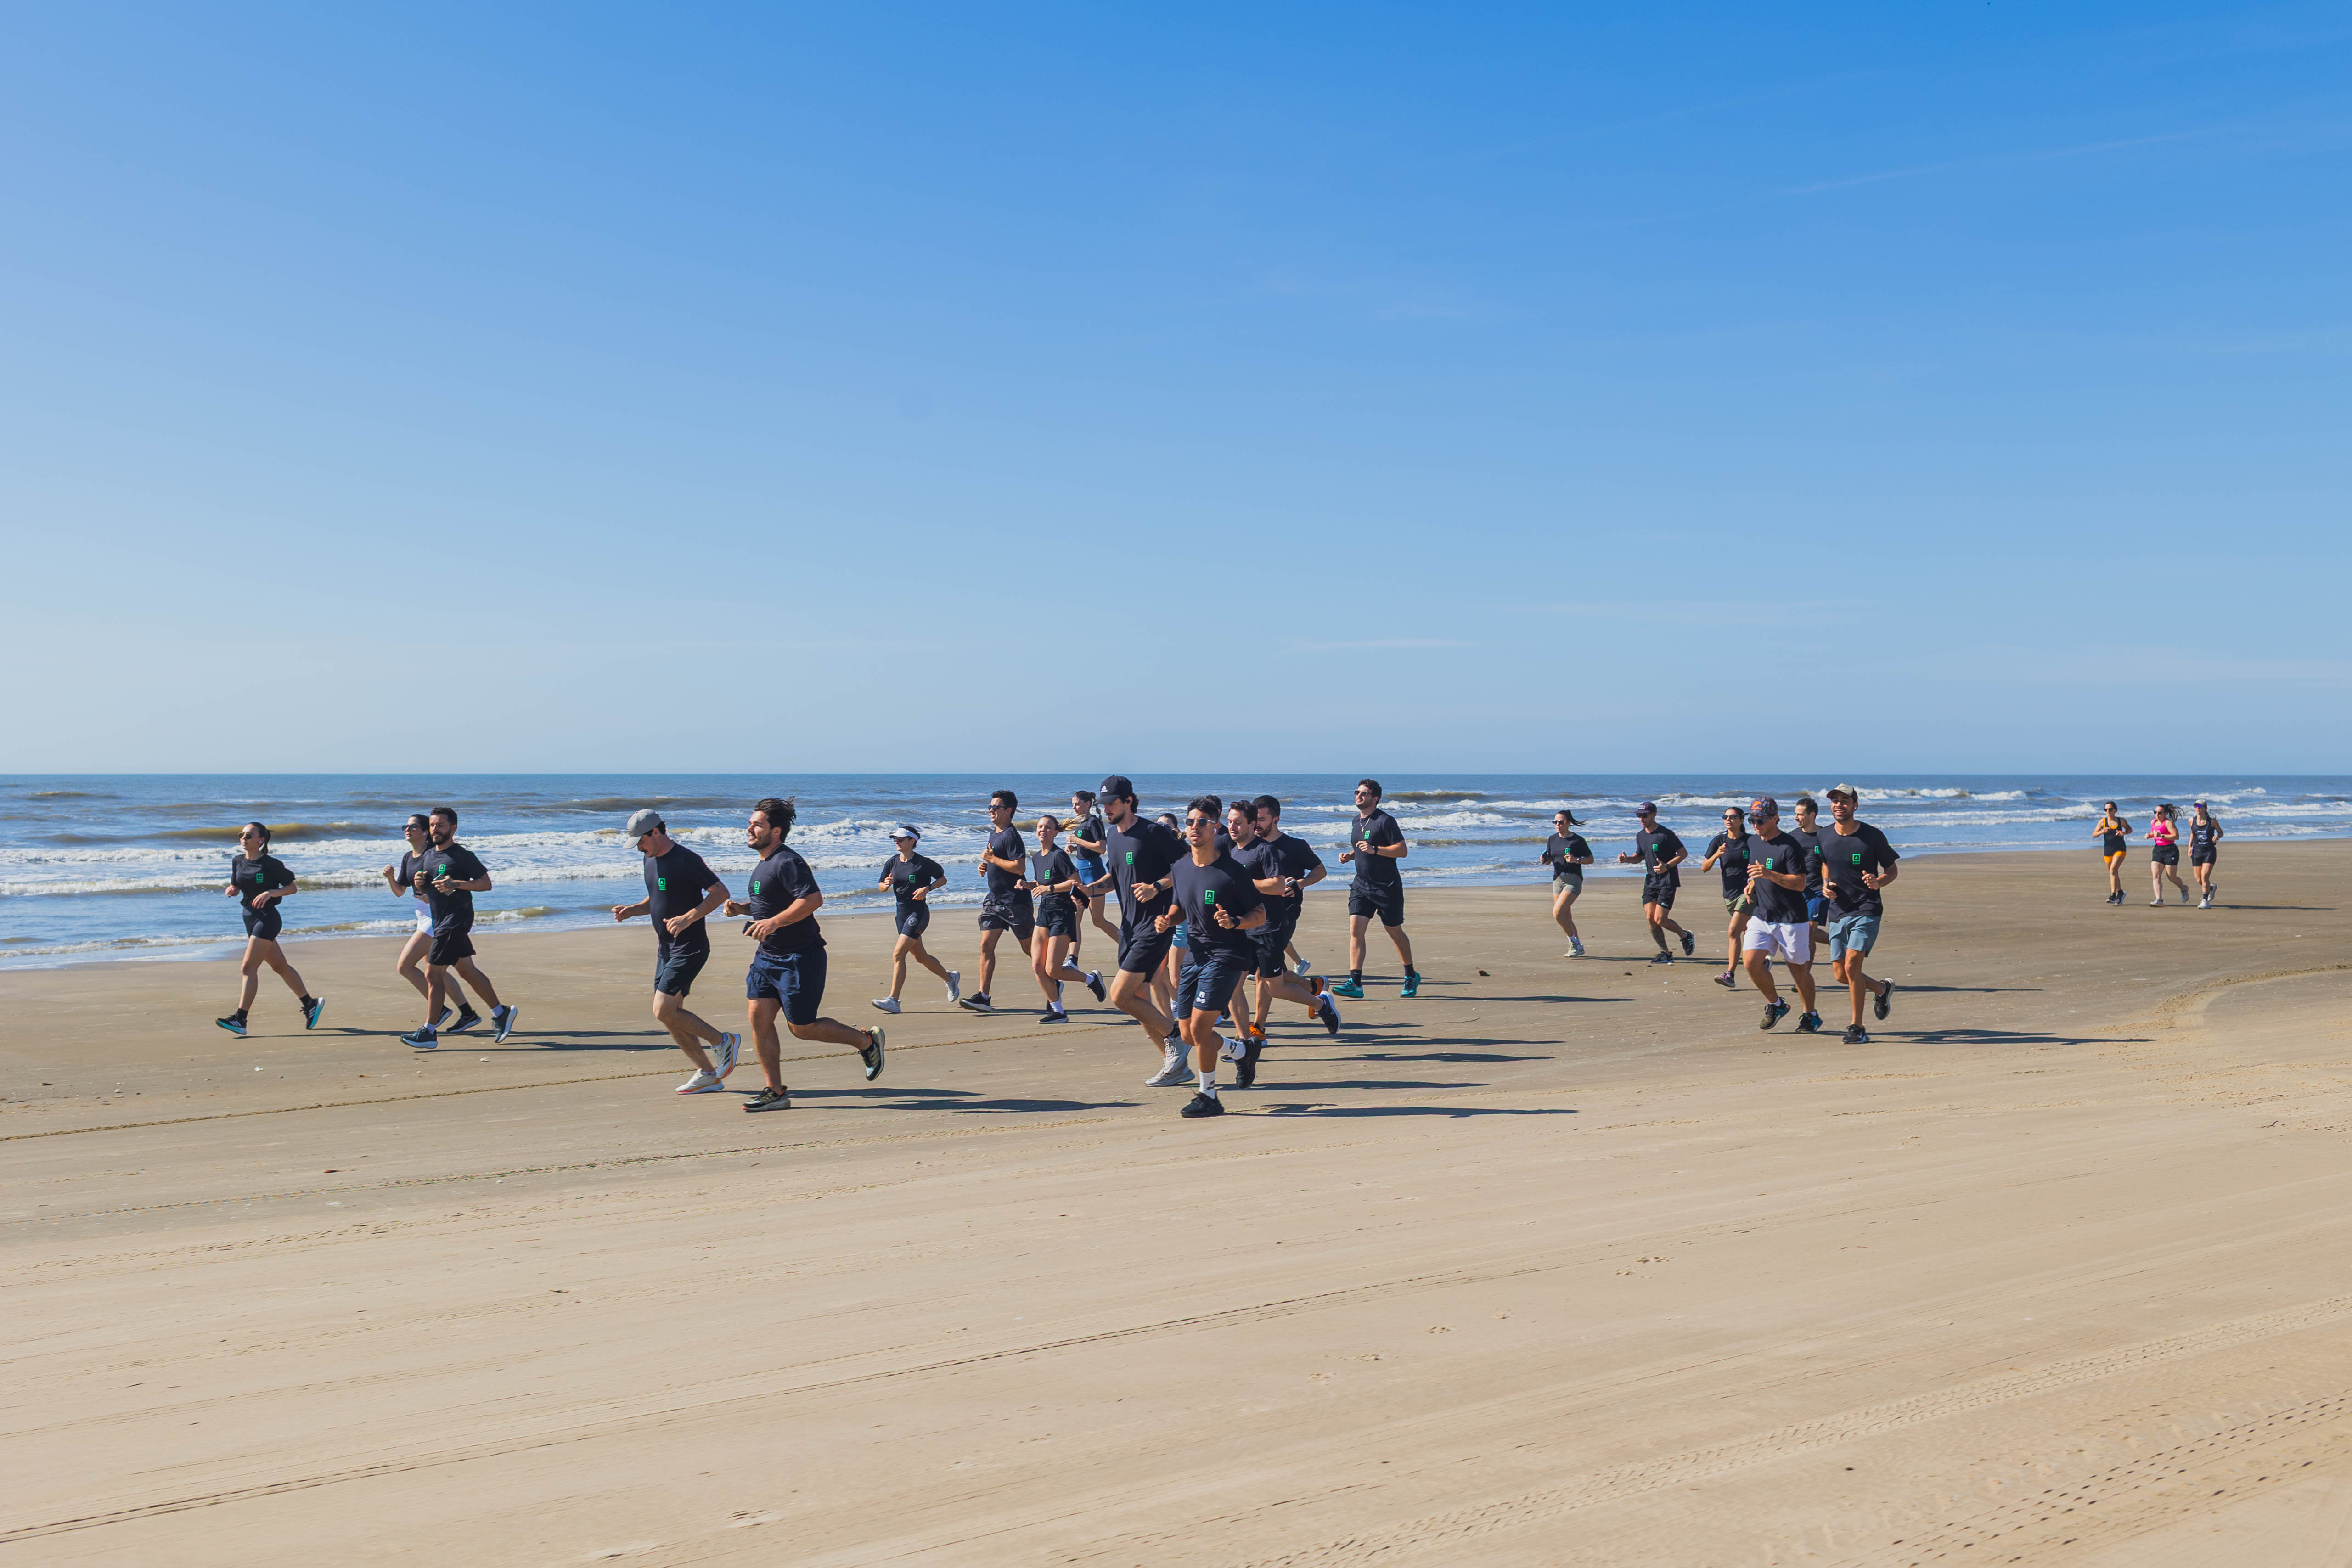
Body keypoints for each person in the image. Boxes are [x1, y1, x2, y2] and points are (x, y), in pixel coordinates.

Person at [722, 797, 884, 1112]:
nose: (750, 828)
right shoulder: (763, 865)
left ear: (777, 831)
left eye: (757, 824)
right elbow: (772, 904)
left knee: (802, 1027)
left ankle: (866, 1041)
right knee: (758, 1017)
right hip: (768, 957)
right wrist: (743, 909)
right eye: (751, 822)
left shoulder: (788, 861)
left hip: (799, 956)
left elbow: (812, 900)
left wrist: (772, 922)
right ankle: (776, 1091)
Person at [609, 809, 742, 1094]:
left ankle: (723, 1041)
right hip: (666, 948)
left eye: (641, 842)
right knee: (670, 1014)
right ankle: (708, 1073)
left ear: (656, 833)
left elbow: (720, 892)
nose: (639, 849)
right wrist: (633, 910)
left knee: (663, 1010)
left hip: (690, 946)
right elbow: (658, 896)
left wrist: (689, 917)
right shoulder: (650, 859)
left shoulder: (686, 860)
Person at [1158, 797, 1272, 1118]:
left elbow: (1260, 913)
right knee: (1186, 1034)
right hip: (1196, 954)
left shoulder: (1233, 872)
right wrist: (1168, 918)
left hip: (1228, 955)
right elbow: (1180, 906)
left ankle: (1209, 1096)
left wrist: (1235, 922)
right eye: (1191, 821)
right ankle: (1242, 1050)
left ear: (1215, 827)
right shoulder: (1180, 868)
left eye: (1203, 822)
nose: (1196, 826)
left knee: (1200, 1027)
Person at [1080, 776, 1191, 1085]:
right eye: (1104, 805)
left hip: (1155, 926)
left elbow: (1188, 864)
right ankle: (1176, 1066)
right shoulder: (1113, 837)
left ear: (1129, 801)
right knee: (1139, 1003)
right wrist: (1088, 890)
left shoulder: (1153, 832)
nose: (1107, 809)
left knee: (1119, 995)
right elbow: (1116, 879)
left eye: (1112, 803)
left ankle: (1176, 1037)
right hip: (1129, 927)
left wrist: (1159, 886)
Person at [1228, 800, 1339, 1085]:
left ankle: (1315, 1003)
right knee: (1252, 980)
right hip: (1248, 923)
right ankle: (1255, 1034)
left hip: (1280, 920)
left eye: (1263, 819)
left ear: (1274, 820)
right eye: (1257, 819)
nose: (1259, 823)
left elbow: (1320, 871)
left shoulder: (1293, 846)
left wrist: (1299, 885)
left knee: (1269, 982)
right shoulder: (1239, 848)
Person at [398, 807, 516, 1051]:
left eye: (440, 826)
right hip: (440, 920)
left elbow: (486, 884)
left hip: (456, 920)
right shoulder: (429, 856)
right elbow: (428, 886)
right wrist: (422, 884)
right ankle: (500, 1012)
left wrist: (457, 884)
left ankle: (429, 1032)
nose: (435, 830)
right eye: (432, 825)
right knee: (467, 971)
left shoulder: (462, 855)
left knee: (433, 975)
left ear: (453, 828)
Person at [214, 822, 322, 1037]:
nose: (243, 838)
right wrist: (232, 890)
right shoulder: (237, 862)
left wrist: (271, 893)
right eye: (241, 834)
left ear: (260, 841)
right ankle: (310, 1003)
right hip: (249, 918)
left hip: (268, 919)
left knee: (247, 968)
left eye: (249, 835)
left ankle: (240, 1018)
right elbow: (237, 886)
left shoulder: (271, 864)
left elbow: (292, 888)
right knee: (280, 967)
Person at [382, 813, 480, 1032]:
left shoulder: (433, 855)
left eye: (413, 826)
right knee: (438, 970)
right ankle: (468, 1013)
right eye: (405, 826)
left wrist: (433, 895)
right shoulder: (409, 857)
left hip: (437, 917)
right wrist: (390, 878)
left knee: (405, 966)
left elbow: (445, 884)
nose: (407, 830)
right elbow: (400, 892)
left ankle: (440, 1011)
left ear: (425, 831)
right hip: (422, 917)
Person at [1820, 784, 1899, 1044]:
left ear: (1856, 805)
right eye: (1835, 801)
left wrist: (1879, 881)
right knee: (1841, 974)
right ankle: (1881, 988)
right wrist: (1825, 885)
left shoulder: (1872, 836)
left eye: (1845, 801)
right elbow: (1825, 864)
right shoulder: (1824, 836)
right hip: (1838, 910)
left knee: (1853, 966)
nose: (1839, 805)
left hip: (1867, 908)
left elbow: (1891, 869)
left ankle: (1857, 1027)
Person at [1737, 798, 1821, 1033]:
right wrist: (1753, 883)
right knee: (1751, 963)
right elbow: (1757, 870)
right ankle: (1776, 1005)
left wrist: (1770, 875)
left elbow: (1801, 883)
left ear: (1775, 819)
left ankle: (1810, 1014)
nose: (1755, 825)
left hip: (1792, 919)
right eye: (1752, 820)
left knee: (1799, 972)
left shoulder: (1789, 846)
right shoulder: (1753, 842)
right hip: (1762, 915)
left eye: (1760, 821)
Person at [1334, 779, 1418, 999]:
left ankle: (1410, 975)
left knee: (1394, 931)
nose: (1359, 796)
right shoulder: (1356, 822)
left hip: (1386, 887)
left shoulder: (1385, 821)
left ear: (1375, 798)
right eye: (1357, 792)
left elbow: (1402, 851)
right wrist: (1350, 856)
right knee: (1356, 930)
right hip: (1362, 885)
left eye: (1364, 793)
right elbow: (1360, 848)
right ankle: (1356, 983)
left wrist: (1376, 850)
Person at [1021, 815, 1106, 1022]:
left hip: (1063, 913)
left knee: (1053, 969)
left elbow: (1074, 881)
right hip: (1044, 912)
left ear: (1055, 832)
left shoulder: (1059, 855)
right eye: (1040, 827)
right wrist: (1029, 885)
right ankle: (1058, 1011)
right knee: (1037, 966)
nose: (1043, 830)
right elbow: (1042, 881)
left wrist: (1048, 888)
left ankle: (1091, 979)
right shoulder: (1037, 857)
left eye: (1048, 828)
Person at [960, 789, 1033, 1014]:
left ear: (1008, 811)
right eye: (990, 807)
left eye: (996, 808)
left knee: (1032, 951)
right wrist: (987, 865)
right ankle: (984, 997)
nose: (991, 811)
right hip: (995, 901)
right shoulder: (995, 833)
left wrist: (992, 859)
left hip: (1015, 902)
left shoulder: (1011, 835)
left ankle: (1063, 976)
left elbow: (1020, 867)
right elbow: (1000, 861)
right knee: (986, 946)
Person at [870, 826, 957, 1014]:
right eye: (895, 839)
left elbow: (943, 879)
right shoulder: (892, 862)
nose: (897, 842)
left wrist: (928, 888)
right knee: (920, 957)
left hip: (918, 913)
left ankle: (894, 1000)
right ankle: (950, 978)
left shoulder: (923, 863)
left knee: (898, 955)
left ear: (912, 841)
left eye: (901, 839)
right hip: (901, 913)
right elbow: (881, 885)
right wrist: (885, 885)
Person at [1616, 802, 1694, 964]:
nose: (1641, 819)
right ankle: (1665, 953)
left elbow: (1683, 853)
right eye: (1639, 816)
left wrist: (1667, 866)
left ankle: (1685, 936)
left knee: (1660, 920)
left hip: (1668, 881)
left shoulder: (1666, 834)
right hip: (1651, 881)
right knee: (1650, 918)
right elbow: (1640, 856)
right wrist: (1627, 860)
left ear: (1654, 815)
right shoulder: (1640, 835)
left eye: (1645, 816)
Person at [1698, 806, 1754, 989]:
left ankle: (1730, 974)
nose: (1728, 820)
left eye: (1733, 817)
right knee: (1748, 931)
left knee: (1733, 931)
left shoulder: (1751, 841)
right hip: (1728, 895)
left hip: (1748, 893)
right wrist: (1717, 855)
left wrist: (1753, 882)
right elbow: (1704, 868)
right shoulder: (1719, 841)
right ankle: (1763, 959)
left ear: (1741, 820)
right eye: (1725, 817)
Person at [1065, 790, 1120, 956]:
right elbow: (1086, 846)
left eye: (1077, 804)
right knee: (1075, 919)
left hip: (1094, 873)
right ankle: (1073, 959)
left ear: (1088, 804)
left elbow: (1101, 848)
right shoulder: (1079, 823)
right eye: (1073, 804)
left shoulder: (1093, 822)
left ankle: (1129, 946)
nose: (1074, 807)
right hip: (1080, 872)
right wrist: (1074, 848)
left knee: (1098, 921)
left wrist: (1078, 841)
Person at [1540, 809, 1593, 957]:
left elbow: (1590, 859)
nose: (1557, 824)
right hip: (1558, 880)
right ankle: (1577, 946)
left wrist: (1577, 860)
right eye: (1555, 822)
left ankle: (1574, 943)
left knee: (1557, 913)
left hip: (1573, 879)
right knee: (1565, 916)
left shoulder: (1577, 841)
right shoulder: (1552, 839)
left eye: (1561, 822)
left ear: (1568, 823)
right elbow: (1550, 859)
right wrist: (1545, 861)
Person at [1789, 795, 1830, 951]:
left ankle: (1806, 972)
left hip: (1819, 890)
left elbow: (1834, 861)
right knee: (1800, 931)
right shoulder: (1792, 837)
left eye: (1800, 814)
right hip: (1799, 890)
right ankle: (1841, 943)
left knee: (1809, 930)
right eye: (1796, 814)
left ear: (1812, 816)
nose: (1796, 818)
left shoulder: (1826, 836)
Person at [2147, 804, 2190, 906]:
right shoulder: (2153, 822)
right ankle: (2159, 900)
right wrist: (2150, 836)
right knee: (2156, 875)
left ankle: (2184, 889)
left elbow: (2176, 836)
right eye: (2155, 812)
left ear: (2166, 813)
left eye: (2160, 813)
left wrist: (2162, 836)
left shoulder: (2168, 823)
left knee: (2172, 877)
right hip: (2158, 849)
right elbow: (2154, 833)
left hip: (2170, 850)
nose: (2157, 815)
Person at [2092, 801, 2133, 905]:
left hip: (2120, 849)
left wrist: (2124, 832)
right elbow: (2094, 835)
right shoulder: (2103, 822)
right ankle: (2121, 893)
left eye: (2110, 809)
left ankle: (2113, 896)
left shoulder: (2121, 821)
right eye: (2106, 810)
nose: (2108, 812)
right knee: (2114, 873)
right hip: (2108, 850)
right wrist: (2102, 832)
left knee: (2113, 870)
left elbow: (2130, 829)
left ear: (2115, 810)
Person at [2189, 800, 2223, 908]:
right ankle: (2211, 888)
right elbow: (2193, 834)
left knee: (2204, 877)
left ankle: (2205, 901)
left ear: (2205, 808)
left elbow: (2221, 833)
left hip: (2209, 851)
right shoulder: (2192, 820)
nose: (2198, 808)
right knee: (2199, 879)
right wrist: (2190, 847)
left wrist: (2217, 836)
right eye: (2196, 806)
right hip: (2197, 852)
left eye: (2200, 806)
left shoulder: (2212, 822)